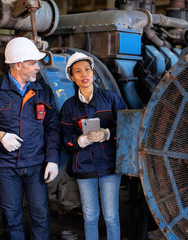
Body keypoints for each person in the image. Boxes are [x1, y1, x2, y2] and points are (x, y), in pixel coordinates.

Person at [0, 37, 61, 240]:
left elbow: (53, 127)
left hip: (35, 164)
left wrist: (52, 159)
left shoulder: (42, 91)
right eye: (33, 63)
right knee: (12, 218)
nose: (38, 67)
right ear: (18, 65)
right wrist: (0, 136)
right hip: (5, 166)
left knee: (41, 217)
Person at [60, 52, 128, 240]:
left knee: (111, 216)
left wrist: (107, 134)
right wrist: (79, 141)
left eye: (87, 69)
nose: (84, 74)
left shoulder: (110, 99)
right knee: (90, 216)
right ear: (72, 77)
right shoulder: (69, 107)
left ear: (93, 71)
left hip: (109, 165)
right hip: (84, 167)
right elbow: (64, 138)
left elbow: (127, 127)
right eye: (78, 71)